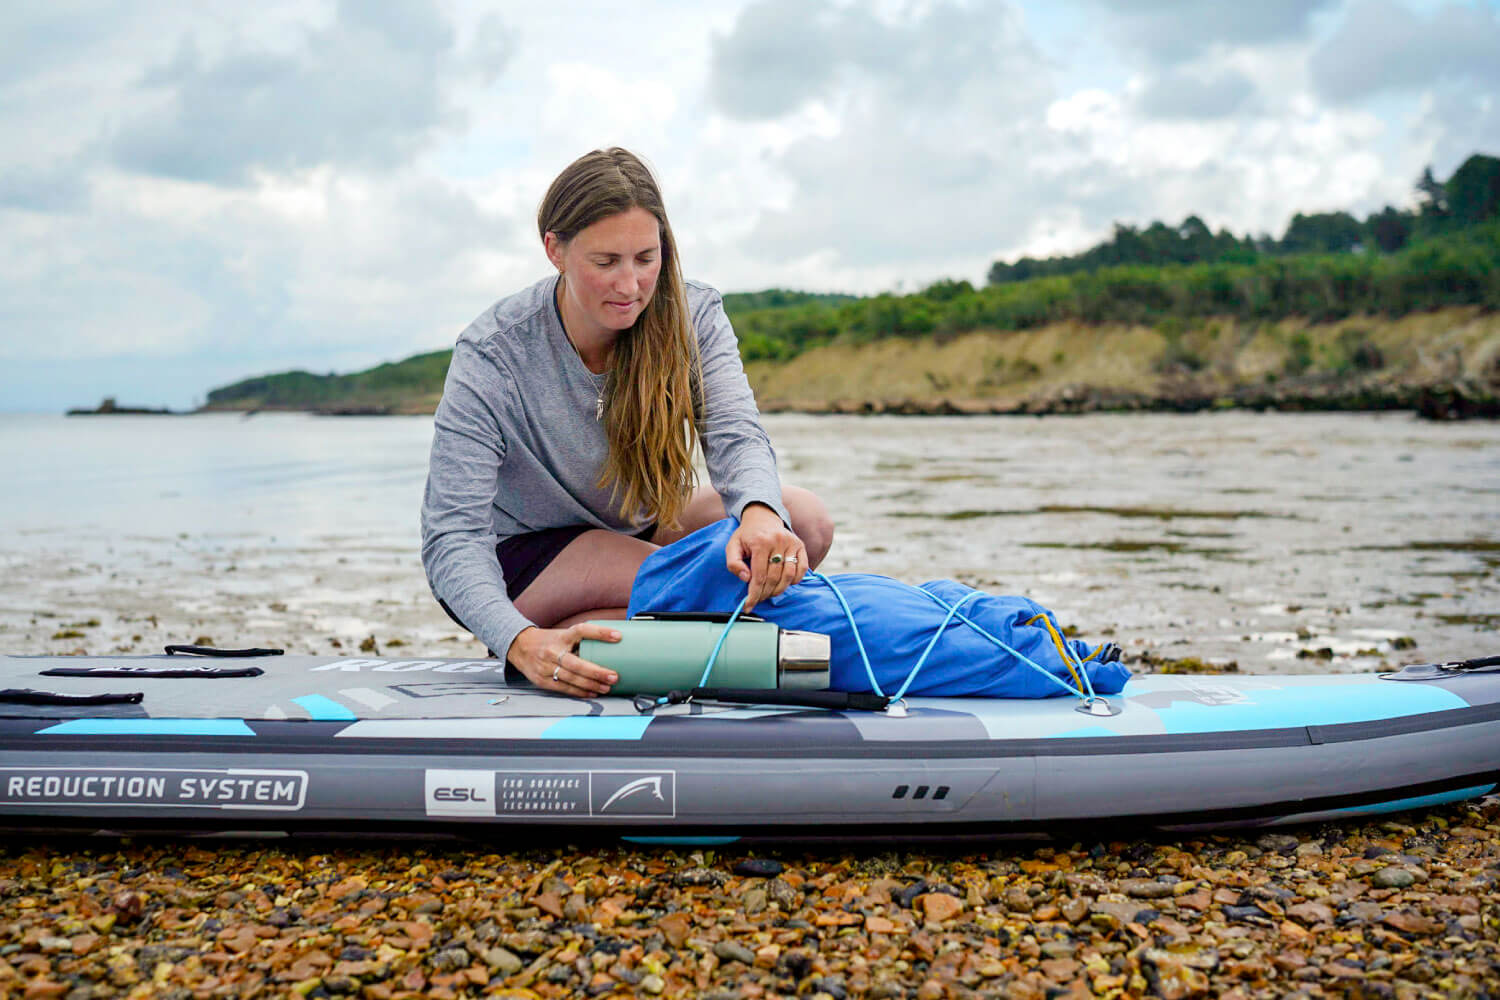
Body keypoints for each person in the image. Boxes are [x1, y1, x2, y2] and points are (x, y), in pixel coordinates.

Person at [421, 147, 834, 699]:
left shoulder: (694, 315)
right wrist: (518, 639)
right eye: (605, 262)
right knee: (702, 579)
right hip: (522, 556)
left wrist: (759, 515)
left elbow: (735, 433)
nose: (630, 285)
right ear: (555, 250)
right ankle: (546, 637)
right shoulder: (492, 353)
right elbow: (451, 536)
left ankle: (601, 629)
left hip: (629, 525)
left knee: (801, 523)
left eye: (645, 258)